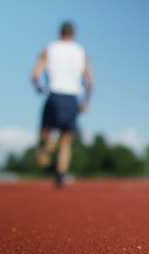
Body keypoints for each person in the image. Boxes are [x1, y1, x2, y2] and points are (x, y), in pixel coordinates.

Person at [32, 22, 94, 188]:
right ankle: (60, 175)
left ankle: (46, 144)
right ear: (74, 34)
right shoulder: (81, 52)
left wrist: (38, 88)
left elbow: (35, 74)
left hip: (54, 95)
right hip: (72, 98)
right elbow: (90, 81)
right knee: (66, 140)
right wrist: (86, 102)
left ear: (59, 33)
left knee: (45, 130)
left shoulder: (50, 49)